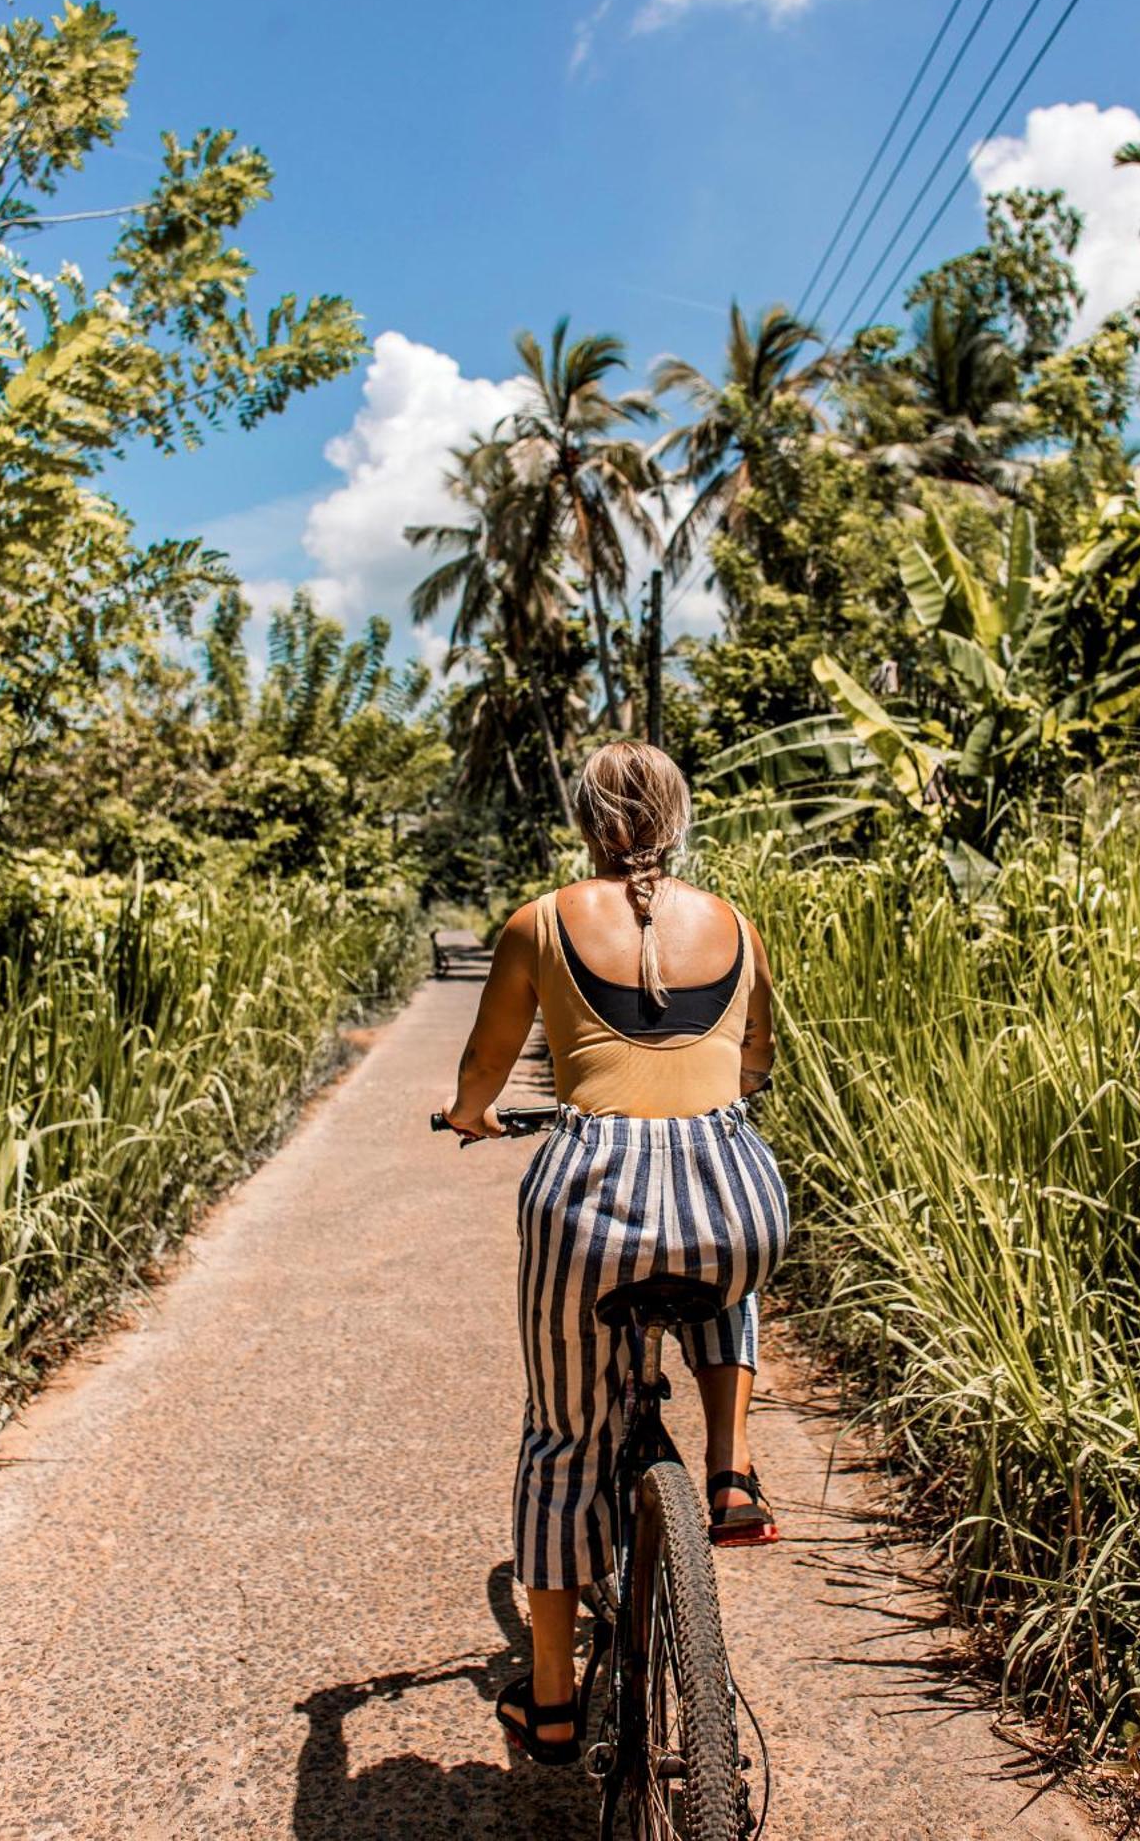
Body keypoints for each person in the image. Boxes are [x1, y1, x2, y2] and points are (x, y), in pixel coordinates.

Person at [440, 739, 789, 1766]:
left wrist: (473, 1116)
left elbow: (484, 1072)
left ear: (585, 819)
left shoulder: (538, 922)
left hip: (589, 1201)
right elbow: (758, 1056)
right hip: (733, 1189)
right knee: (727, 1254)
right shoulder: (734, 923)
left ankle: (550, 1702)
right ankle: (729, 1472)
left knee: (563, 1437)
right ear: (677, 818)